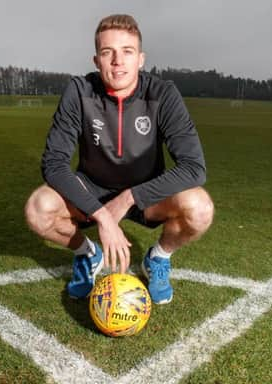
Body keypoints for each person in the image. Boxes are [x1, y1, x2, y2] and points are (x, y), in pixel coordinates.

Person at [25, 14, 213, 304]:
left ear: (140, 59)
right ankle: (87, 254)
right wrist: (101, 214)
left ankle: (159, 258)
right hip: (93, 192)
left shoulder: (163, 94)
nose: (117, 61)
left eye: (127, 51)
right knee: (38, 208)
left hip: (147, 195)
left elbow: (194, 168)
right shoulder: (79, 91)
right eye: (107, 52)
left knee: (200, 208)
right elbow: (53, 164)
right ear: (96, 60)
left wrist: (128, 198)